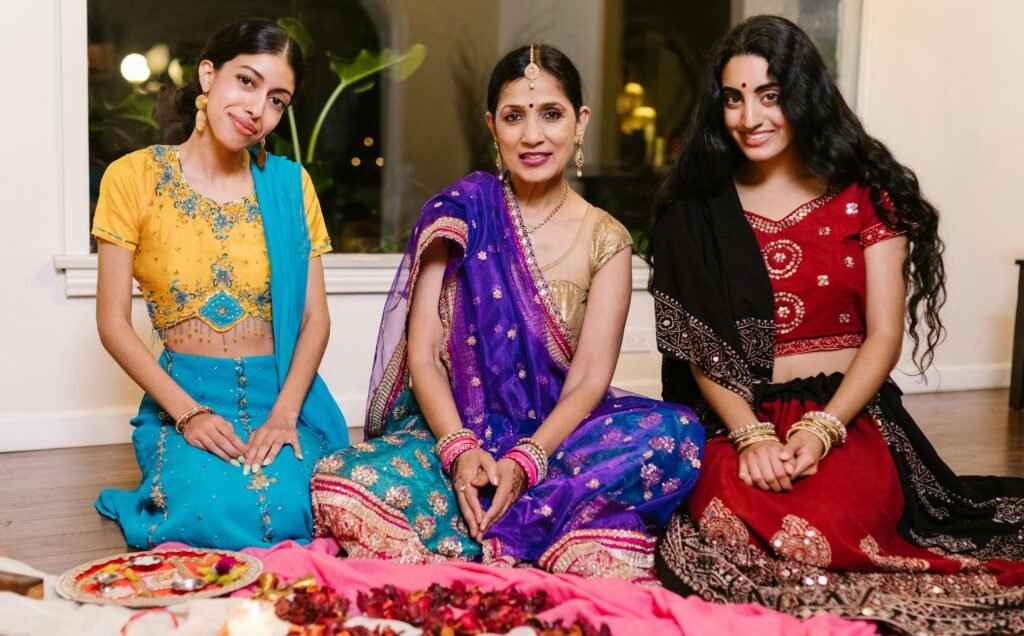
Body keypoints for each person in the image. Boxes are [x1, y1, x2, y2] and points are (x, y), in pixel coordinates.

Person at [649, 15, 1024, 633]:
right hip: (741, 411)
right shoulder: (696, 209)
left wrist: (824, 429)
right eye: (735, 99)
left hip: (845, 413)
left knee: (824, 530)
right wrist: (749, 435)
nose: (751, 117)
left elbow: (883, 336)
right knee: (723, 519)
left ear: (803, 96)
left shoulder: (867, 195)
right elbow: (701, 345)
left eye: (770, 96)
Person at [310, 45, 703, 582]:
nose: (533, 135)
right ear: (492, 126)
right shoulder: (462, 212)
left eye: (551, 114)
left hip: (562, 441)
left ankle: (498, 523)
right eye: (515, 117)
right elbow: (424, 355)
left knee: (678, 431)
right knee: (340, 480)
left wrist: (528, 458)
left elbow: (589, 379)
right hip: (460, 433)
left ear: (580, 121)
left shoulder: (605, 237)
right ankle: (554, 529)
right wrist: (458, 450)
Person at [92, 18, 348, 550]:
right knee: (214, 508)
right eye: (247, 82)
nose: (259, 110)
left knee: (303, 505)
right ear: (208, 76)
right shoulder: (132, 178)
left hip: (279, 393)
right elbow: (113, 323)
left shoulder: (289, 185)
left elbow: (314, 319)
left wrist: (283, 416)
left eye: (278, 100)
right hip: (184, 394)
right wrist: (187, 413)